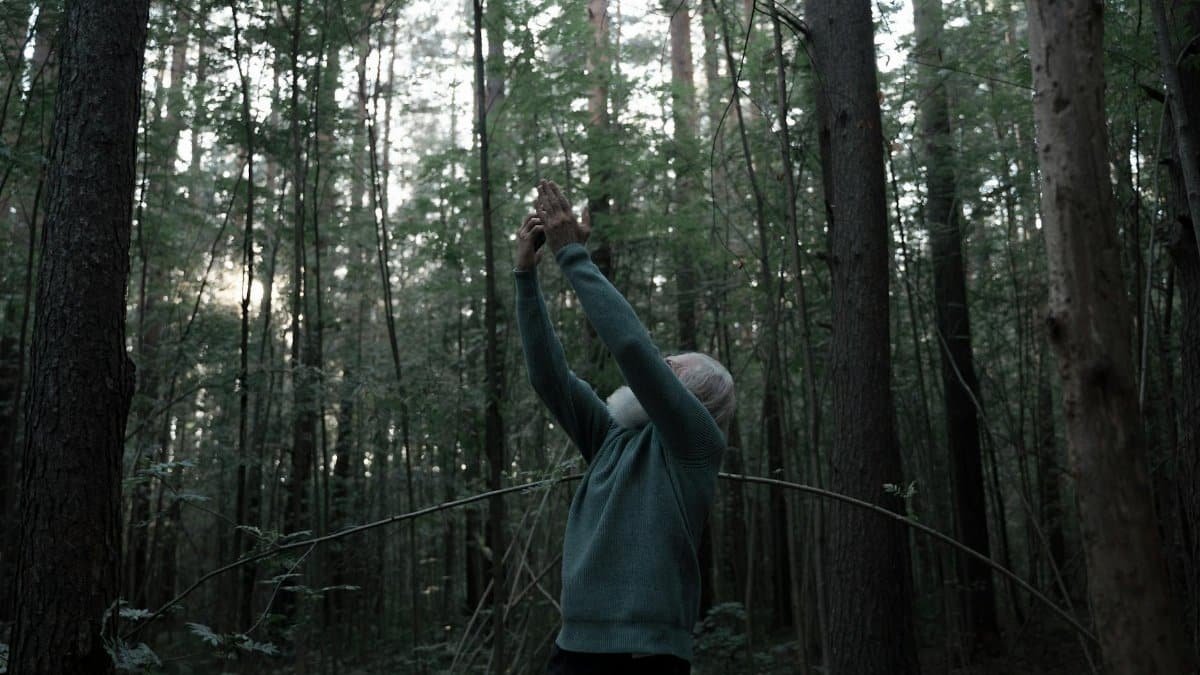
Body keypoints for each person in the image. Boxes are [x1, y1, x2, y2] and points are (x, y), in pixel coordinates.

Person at [514, 180, 735, 675]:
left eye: (672, 366)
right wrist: (525, 276)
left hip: (644, 655)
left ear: (694, 398)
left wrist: (573, 255)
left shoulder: (696, 445)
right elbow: (548, 378)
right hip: (573, 647)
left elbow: (633, 350)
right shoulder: (614, 438)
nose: (660, 363)